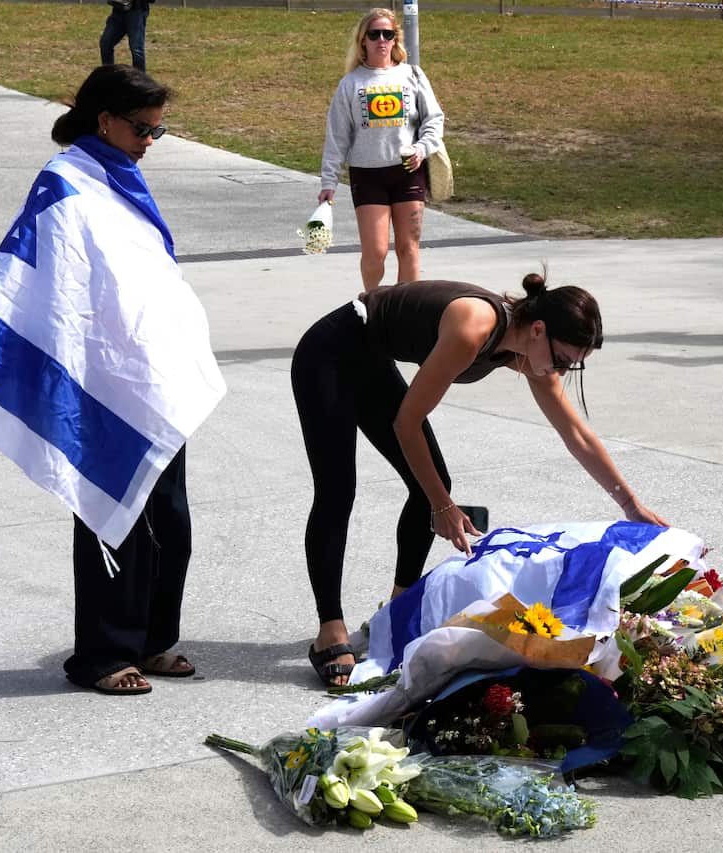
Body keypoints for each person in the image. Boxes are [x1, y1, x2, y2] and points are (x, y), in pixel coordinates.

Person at [0, 66, 225, 696]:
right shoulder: (64, 183)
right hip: (101, 373)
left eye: (159, 130)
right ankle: (101, 654)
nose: (152, 140)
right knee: (110, 510)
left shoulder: (119, 176)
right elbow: (50, 284)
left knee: (168, 515)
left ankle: (152, 639)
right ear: (105, 121)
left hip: (149, 373)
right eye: (144, 128)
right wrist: (79, 365)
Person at [291, 274, 668, 685]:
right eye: (560, 360)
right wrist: (442, 507)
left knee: (432, 485)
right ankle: (330, 627)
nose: (558, 370)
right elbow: (407, 423)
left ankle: (398, 612)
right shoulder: (474, 326)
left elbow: (577, 435)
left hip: (370, 359)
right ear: (538, 330)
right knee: (338, 490)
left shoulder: (528, 350)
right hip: (327, 354)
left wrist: (629, 504)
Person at [318, 8, 445, 292]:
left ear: (395, 39)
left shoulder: (412, 75)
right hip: (368, 175)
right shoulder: (351, 83)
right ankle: (373, 307)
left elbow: (434, 119)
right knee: (375, 252)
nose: (381, 40)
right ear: (363, 40)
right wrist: (329, 181)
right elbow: (338, 136)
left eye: (388, 34)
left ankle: (408, 313)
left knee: (408, 248)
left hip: (407, 172)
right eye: (374, 34)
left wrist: (422, 149)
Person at [100, 0, 153, 72]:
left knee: (136, 49)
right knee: (105, 43)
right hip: (118, 10)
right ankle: (108, 76)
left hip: (136, 11)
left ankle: (139, 80)